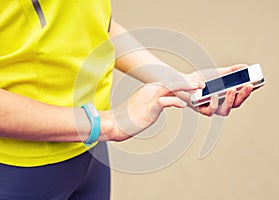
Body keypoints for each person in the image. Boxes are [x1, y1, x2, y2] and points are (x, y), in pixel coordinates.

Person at [0, 1, 254, 199]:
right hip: (21, 170)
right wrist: (109, 123)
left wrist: (179, 83)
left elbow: (98, 26)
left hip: (91, 148)